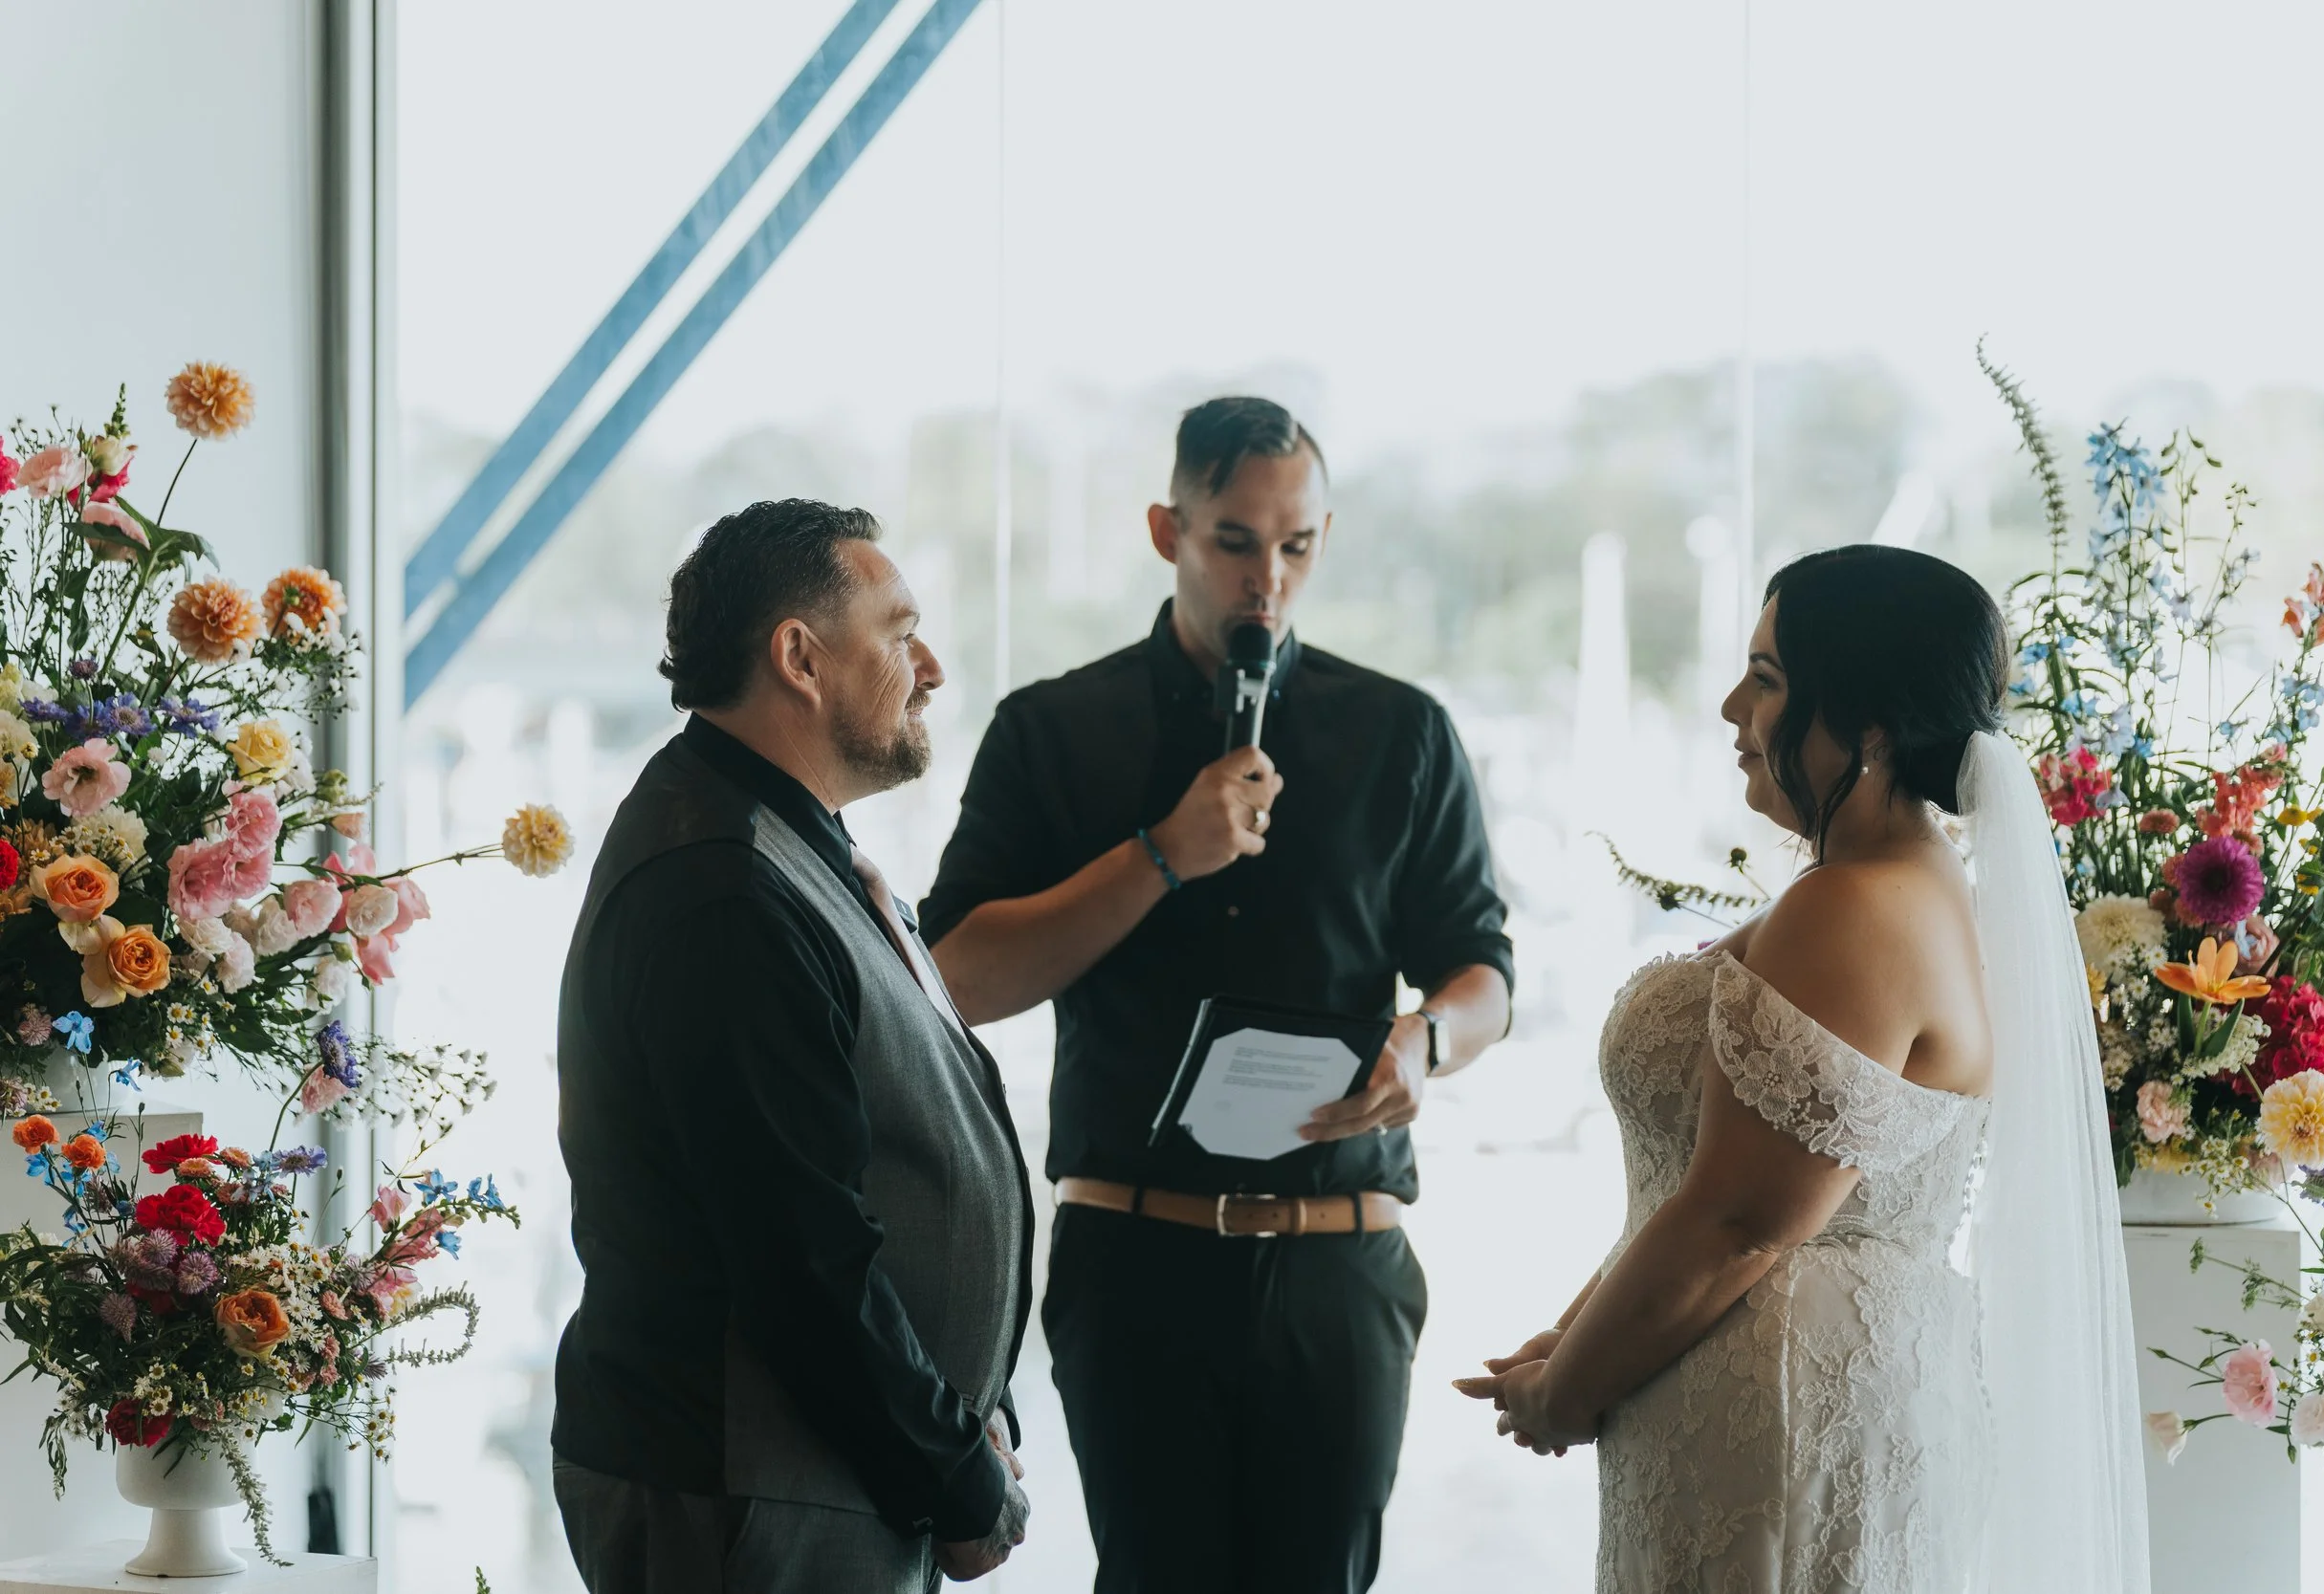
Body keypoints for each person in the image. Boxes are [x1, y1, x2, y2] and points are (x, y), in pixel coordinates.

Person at [1457, 544, 2149, 1593]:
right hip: (1775, 1387)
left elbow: (1742, 1216)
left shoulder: (1857, 908)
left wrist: (1569, 1391)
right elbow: (1710, 1177)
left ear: (1867, 723)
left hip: (1783, 1408)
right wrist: (1569, 1337)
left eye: (1769, 679)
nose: (1733, 705)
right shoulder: (1894, 886)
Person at [921, 396, 1515, 1594]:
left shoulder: (1402, 732)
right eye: (1235, 541)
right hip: (1136, 1261)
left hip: (1338, 1267)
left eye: (1296, 545)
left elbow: (1483, 970)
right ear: (1166, 529)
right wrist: (1158, 856)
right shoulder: (1050, 730)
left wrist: (1427, 1040)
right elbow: (959, 978)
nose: (1268, 579)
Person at [550, 499, 1036, 1593]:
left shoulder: (772, 839)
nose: (934, 667)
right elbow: (797, 1250)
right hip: (744, 1490)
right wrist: (952, 1471)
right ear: (800, 657)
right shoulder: (722, 885)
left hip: (815, 1473)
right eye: (899, 631)